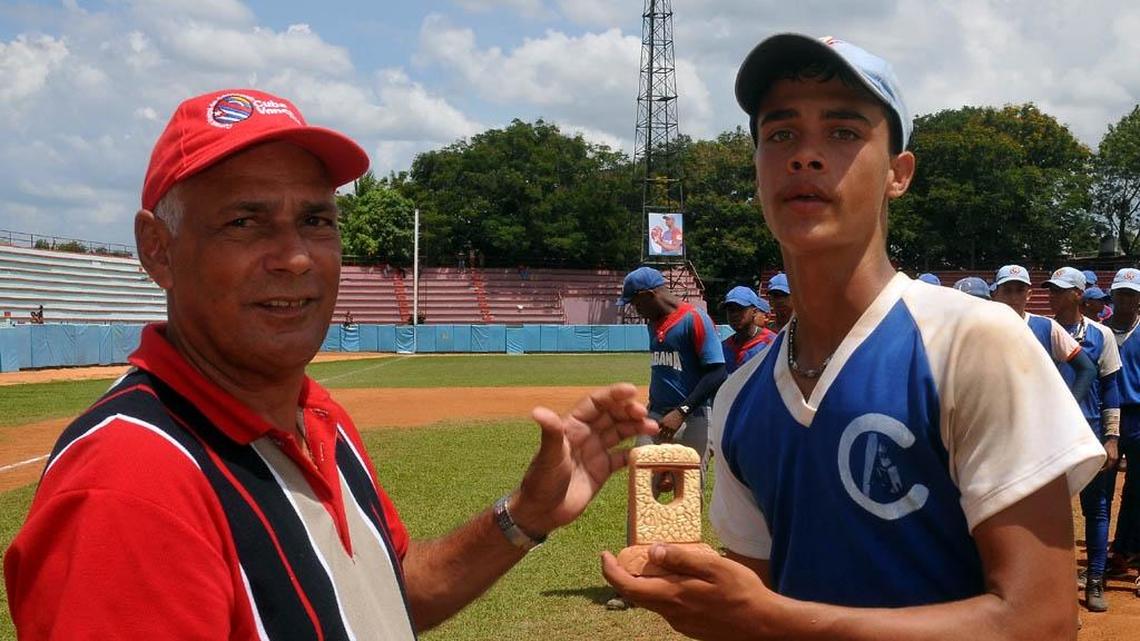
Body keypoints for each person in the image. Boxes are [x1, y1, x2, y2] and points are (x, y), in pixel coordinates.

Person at [4, 88, 658, 639]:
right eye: (244, 221)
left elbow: (382, 593)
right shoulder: (128, 487)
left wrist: (525, 513)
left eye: (316, 219)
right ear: (158, 249)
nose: (293, 256)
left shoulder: (319, 416)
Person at [602, 33, 1104, 639]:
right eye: (780, 133)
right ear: (757, 170)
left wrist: (775, 619)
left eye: (842, 132)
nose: (805, 155)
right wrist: (711, 605)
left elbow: (1040, 621)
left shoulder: (976, 342)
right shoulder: (739, 400)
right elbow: (756, 609)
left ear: (898, 173)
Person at [606, 265, 725, 610]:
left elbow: (717, 371)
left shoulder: (695, 320)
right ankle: (632, 580)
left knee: (688, 496)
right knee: (642, 491)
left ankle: (684, 579)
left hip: (694, 416)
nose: (633, 310)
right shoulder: (652, 321)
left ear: (648, 295)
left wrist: (683, 410)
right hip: (656, 416)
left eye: (634, 303)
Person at [1045, 266, 1122, 611]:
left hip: (1088, 430)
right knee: (1048, 512)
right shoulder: (1040, 331)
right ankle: (1052, 585)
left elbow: (1110, 387)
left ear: (1078, 294)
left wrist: (1112, 437)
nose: (1052, 296)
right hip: (1047, 434)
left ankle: (1094, 580)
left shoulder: (1100, 335)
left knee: (1097, 508)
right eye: (1050, 290)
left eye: (1060, 290)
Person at [992, 264, 1096, 401]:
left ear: (1029, 294)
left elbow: (1087, 369)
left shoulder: (1046, 327)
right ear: (995, 294)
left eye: (1019, 290)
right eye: (1007, 290)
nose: (1013, 297)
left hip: (1035, 415)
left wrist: (1070, 405)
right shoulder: (982, 327)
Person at [1106, 268, 1140, 593]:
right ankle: (1118, 553)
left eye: (1132, 294)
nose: (1126, 299)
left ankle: (1130, 553)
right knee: (1102, 491)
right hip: (1107, 420)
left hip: (1139, 417)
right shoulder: (1100, 332)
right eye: (1121, 293)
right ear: (1112, 295)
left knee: (1138, 490)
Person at [721, 286, 777, 375]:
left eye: (740, 309)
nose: (734, 314)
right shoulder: (724, 347)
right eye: (730, 310)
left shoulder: (772, 344)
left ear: (754, 312)